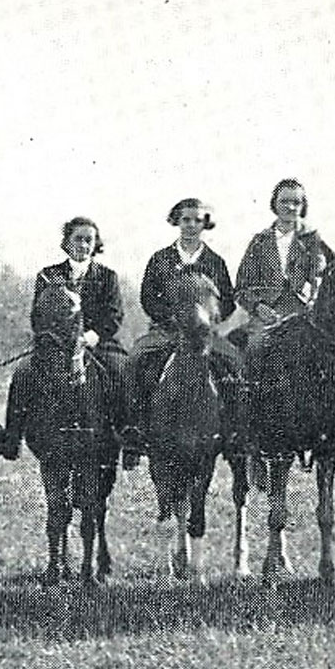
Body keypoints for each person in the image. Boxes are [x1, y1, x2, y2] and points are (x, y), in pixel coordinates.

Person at [234, 177, 335, 446]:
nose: (291, 207)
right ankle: (248, 423)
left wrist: (312, 298)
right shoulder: (259, 242)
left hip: (304, 316)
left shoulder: (313, 240)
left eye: (297, 202)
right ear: (274, 204)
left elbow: (326, 277)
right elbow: (241, 288)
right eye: (285, 202)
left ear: (304, 206)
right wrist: (259, 307)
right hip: (267, 319)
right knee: (254, 350)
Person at [119, 198, 242, 467]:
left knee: (235, 363)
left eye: (197, 220)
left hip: (204, 337)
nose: (191, 225)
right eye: (186, 219)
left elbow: (228, 301)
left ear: (205, 224)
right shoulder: (161, 259)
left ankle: (236, 433)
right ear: (177, 221)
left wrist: (210, 321)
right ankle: (134, 431)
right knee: (135, 360)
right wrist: (169, 318)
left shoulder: (215, 262)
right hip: (167, 332)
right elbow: (148, 297)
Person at [0, 216, 128, 460]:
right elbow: (38, 314)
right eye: (78, 239)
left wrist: (91, 336)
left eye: (89, 240)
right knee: (23, 374)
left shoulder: (108, 276)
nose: (83, 245)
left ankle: (129, 437)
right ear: (67, 242)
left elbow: (114, 315)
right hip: (57, 345)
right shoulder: (48, 275)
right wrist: (54, 337)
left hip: (97, 344)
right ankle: (12, 438)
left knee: (121, 371)